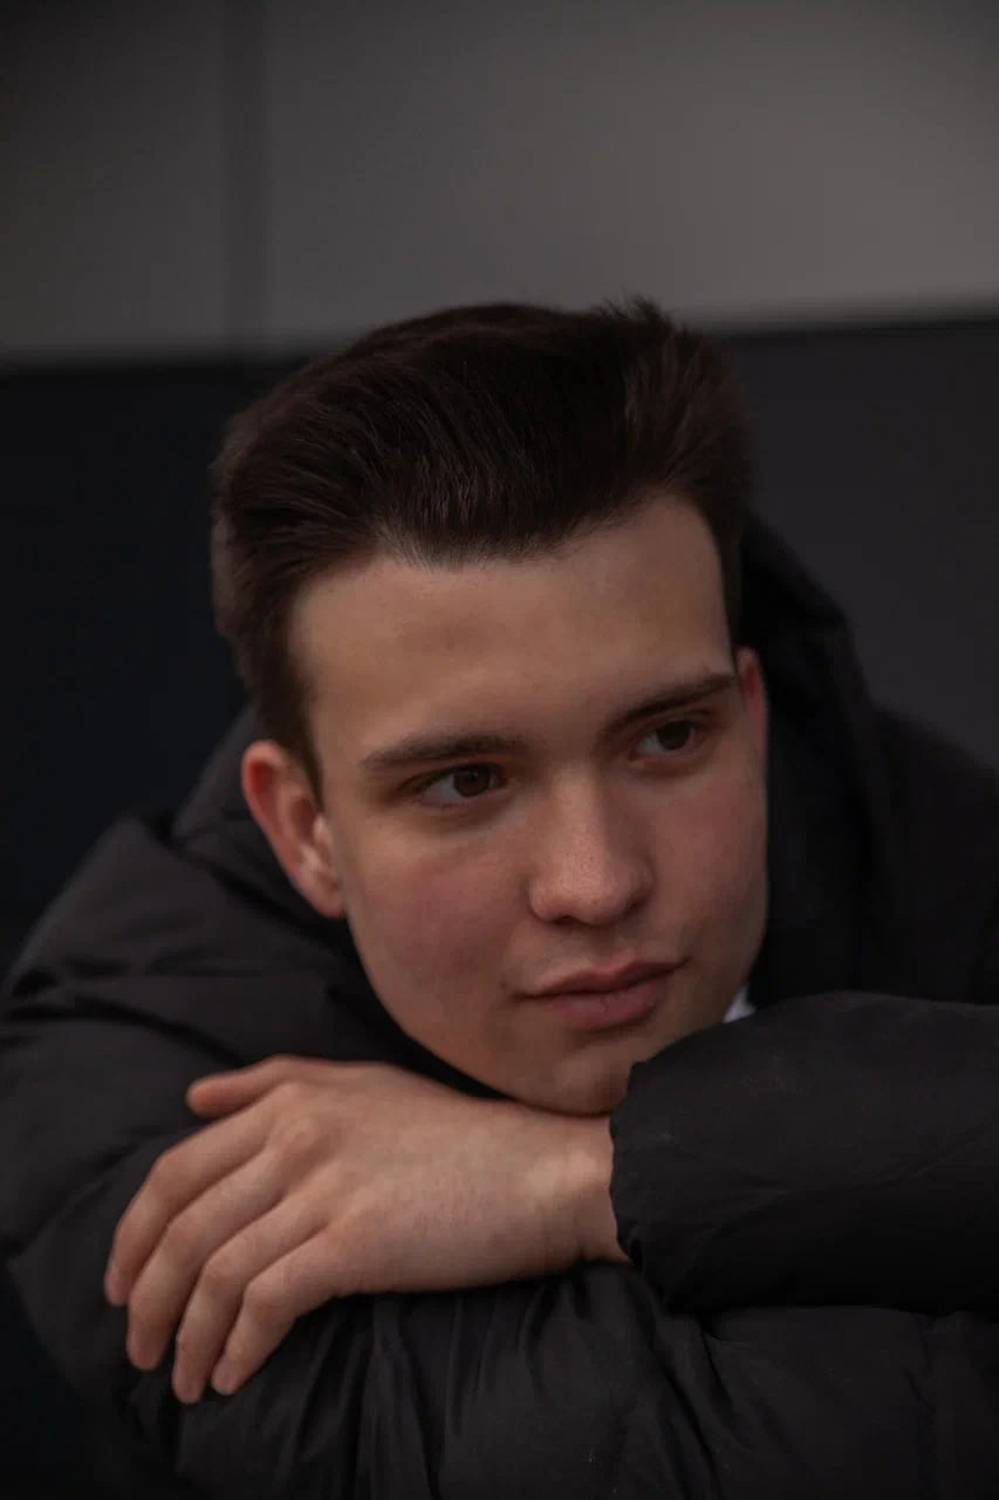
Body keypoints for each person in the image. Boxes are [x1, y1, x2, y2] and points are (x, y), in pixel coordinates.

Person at [2, 298, 999, 1500]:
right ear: (305, 831)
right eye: (466, 782)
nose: (597, 883)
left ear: (752, 714)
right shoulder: (137, 1075)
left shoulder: (906, 823)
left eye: (668, 737)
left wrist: (584, 1178)